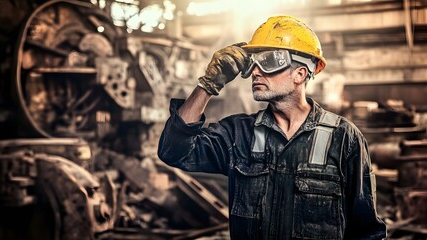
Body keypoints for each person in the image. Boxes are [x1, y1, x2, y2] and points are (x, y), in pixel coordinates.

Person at [158, 15, 386, 239]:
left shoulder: (344, 138)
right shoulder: (239, 134)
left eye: (268, 62)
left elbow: (367, 231)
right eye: (253, 63)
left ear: (300, 73)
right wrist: (208, 84)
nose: (256, 72)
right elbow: (174, 151)